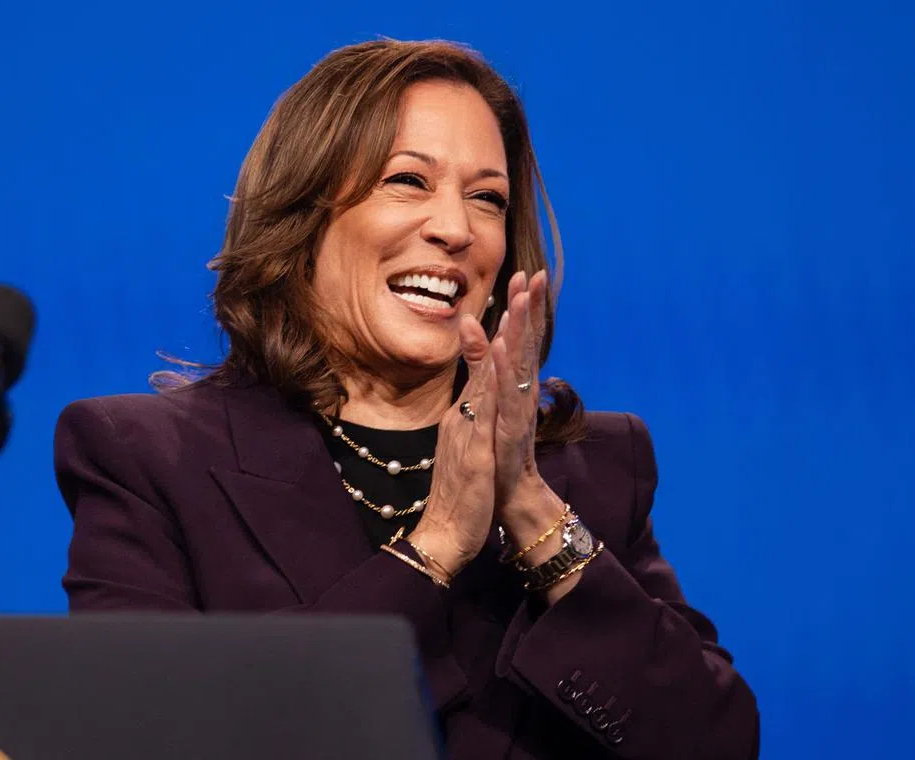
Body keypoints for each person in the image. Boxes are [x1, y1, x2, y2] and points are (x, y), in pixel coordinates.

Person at [55, 39, 759, 759]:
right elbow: (147, 738)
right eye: (408, 181)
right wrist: (435, 548)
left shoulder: (593, 471)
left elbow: (716, 742)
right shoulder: (149, 460)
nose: (455, 229)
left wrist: (531, 511)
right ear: (304, 213)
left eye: (487, 199)